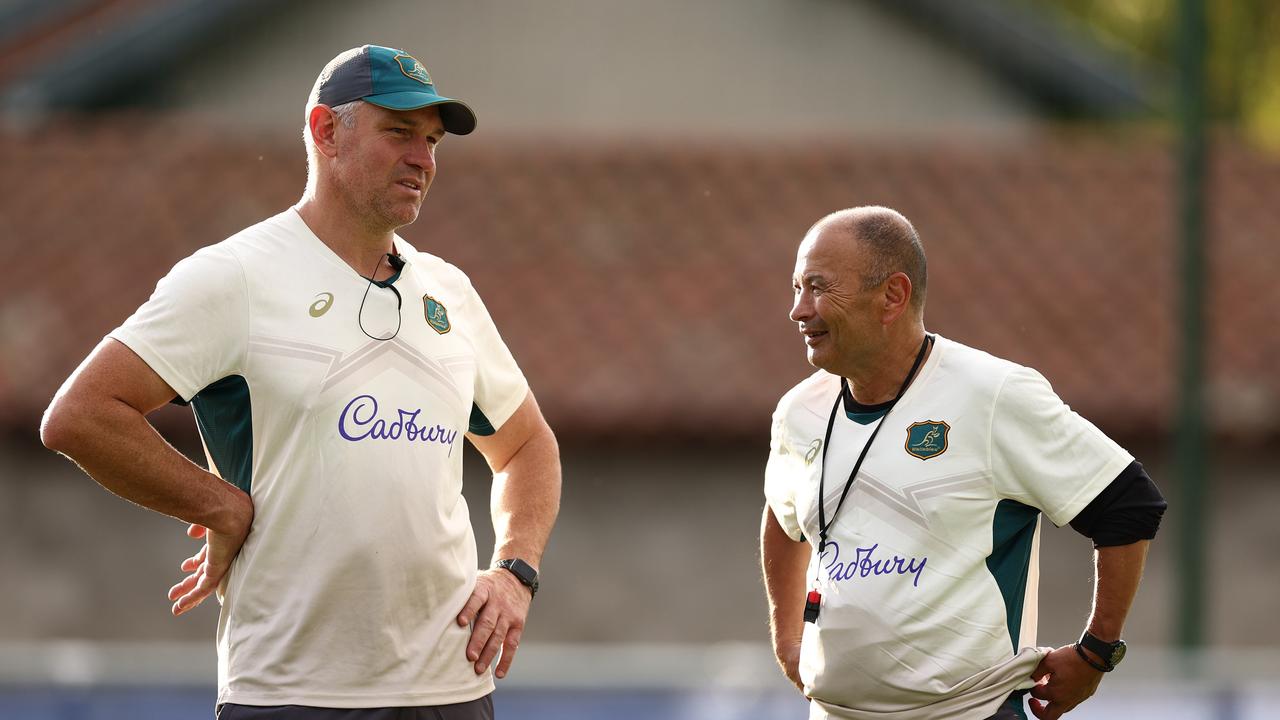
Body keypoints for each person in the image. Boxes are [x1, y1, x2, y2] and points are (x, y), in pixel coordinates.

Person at [40, 45, 561, 720]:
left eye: (432, 142)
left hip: (451, 691)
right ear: (325, 132)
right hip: (289, 694)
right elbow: (80, 415)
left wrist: (515, 573)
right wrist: (220, 506)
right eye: (399, 133)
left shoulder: (449, 292)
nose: (424, 160)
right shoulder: (235, 277)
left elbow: (527, 447)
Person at [760, 206, 1166, 720]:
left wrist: (1096, 652)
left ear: (892, 296)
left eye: (818, 288)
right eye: (797, 288)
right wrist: (787, 635)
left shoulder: (993, 395)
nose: (799, 310)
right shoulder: (800, 411)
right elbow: (782, 513)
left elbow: (1129, 503)